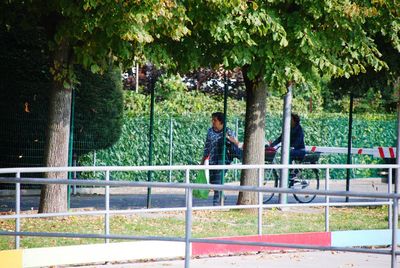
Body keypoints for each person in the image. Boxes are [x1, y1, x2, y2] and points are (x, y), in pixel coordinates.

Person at [202, 112, 240, 205]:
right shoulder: (210, 131)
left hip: (223, 160)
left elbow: (236, 144)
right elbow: (207, 146)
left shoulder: (228, 131)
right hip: (212, 160)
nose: (213, 122)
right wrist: (203, 161)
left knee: (218, 181)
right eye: (212, 120)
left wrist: (228, 138)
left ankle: (216, 204)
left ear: (221, 122)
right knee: (212, 182)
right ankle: (222, 195)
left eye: (215, 120)